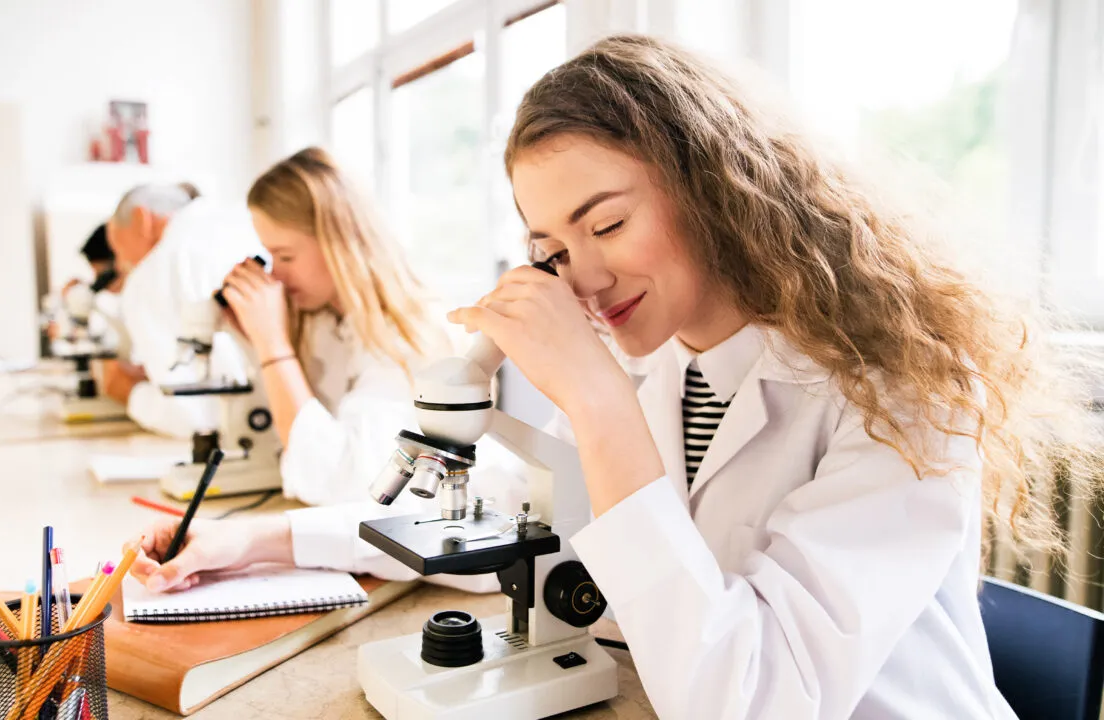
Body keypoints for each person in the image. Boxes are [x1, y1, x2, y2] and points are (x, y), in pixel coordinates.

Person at [440, 35, 1104, 717]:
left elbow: (754, 701)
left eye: (607, 224)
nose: (585, 278)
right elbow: (516, 521)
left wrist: (597, 402)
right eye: (550, 252)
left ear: (709, 183)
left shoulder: (905, 387)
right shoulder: (650, 365)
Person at [126, 148, 511, 594]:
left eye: (284, 256)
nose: (277, 274)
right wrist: (254, 339)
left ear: (337, 245)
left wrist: (273, 346)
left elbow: (340, 484)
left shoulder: (408, 335)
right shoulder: (326, 318)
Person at [104, 184, 262, 437]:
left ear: (142, 220)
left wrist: (131, 393)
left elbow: (194, 418)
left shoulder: (153, 273)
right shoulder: (243, 220)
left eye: (117, 248)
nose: (122, 264)